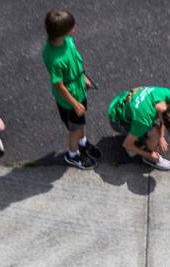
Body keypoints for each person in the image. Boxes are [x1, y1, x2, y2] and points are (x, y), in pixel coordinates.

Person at [43, 10, 101, 170]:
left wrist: (83, 77)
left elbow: (76, 60)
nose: (75, 27)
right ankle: (73, 154)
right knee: (75, 128)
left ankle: (82, 143)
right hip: (70, 99)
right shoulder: (56, 59)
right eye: (71, 26)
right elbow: (59, 85)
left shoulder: (67, 41)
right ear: (61, 31)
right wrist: (75, 104)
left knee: (81, 120)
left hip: (79, 90)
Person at [107, 86, 170, 171]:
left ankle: (141, 136)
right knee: (155, 132)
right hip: (117, 119)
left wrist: (162, 137)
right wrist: (149, 154)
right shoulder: (144, 121)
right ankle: (149, 159)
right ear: (163, 120)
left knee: (156, 132)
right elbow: (127, 145)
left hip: (120, 100)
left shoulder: (167, 93)